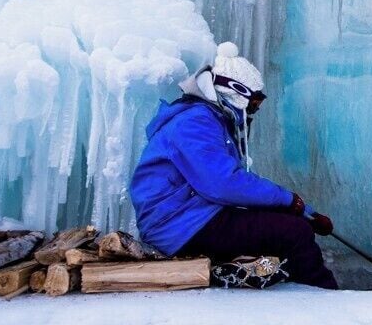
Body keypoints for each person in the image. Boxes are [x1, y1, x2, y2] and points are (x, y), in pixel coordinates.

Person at [130, 42, 337, 289]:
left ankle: (302, 286)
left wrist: (306, 213)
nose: (254, 111)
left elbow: (228, 184)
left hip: (192, 217)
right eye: (255, 101)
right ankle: (325, 297)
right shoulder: (195, 122)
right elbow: (224, 183)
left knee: (292, 225)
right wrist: (289, 201)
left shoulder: (208, 119)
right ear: (236, 92)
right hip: (178, 225)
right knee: (295, 233)